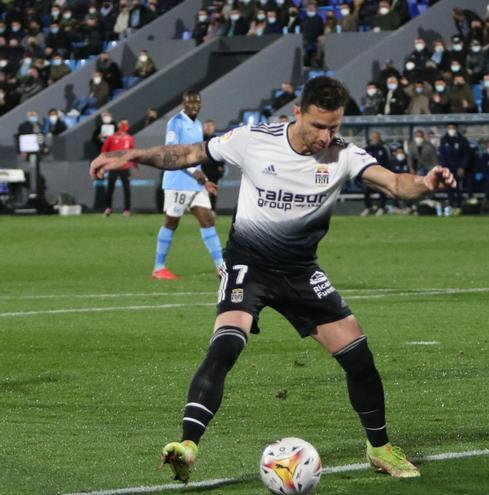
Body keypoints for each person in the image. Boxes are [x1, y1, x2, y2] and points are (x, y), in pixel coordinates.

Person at [89, 76, 455, 482]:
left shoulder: (343, 154)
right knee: (227, 344)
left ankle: (380, 448)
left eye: (334, 126)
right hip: (250, 264)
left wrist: (425, 183)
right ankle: (187, 445)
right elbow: (189, 152)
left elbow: (396, 184)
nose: (325, 136)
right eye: (318, 126)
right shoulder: (253, 140)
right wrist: (131, 156)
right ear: (297, 113)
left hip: (301, 272)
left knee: (359, 359)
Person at [151, 90, 223, 280]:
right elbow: (171, 153)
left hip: (195, 183)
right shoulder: (175, 122)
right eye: (190, 103)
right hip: (177, 182)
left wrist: (205, 181)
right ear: (183, 104)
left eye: (197, 102)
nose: (194, 106)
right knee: (172, 223)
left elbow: (195, 158)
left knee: (207, 221)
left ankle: (221, 267)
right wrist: (194, 172)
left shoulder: (198, 125)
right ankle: (159, 268)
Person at [102, 119, 136, 217]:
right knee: (110, 188)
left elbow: (132, 152)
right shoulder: (111, 138)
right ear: (119, 125)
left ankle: (127, 210)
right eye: (123, 124)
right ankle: (108, 208)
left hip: (125, 167)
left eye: (126, 124)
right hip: (113, 166)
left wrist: (134, 164)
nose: (125, 126)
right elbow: (104, 150)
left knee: (127, 189)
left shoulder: (129, 138)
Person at [201, 120, 224, 211]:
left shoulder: (218, 140)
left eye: (210, 126)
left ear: (214, 128)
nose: (208, 128)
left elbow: (221, 154)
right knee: (200, 191)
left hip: (213, 170)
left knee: (213, 189)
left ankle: (212, 209)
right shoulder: (199, 139)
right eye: (207, 126)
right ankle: (200, 209)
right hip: (201, 169)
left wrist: (220, 165)